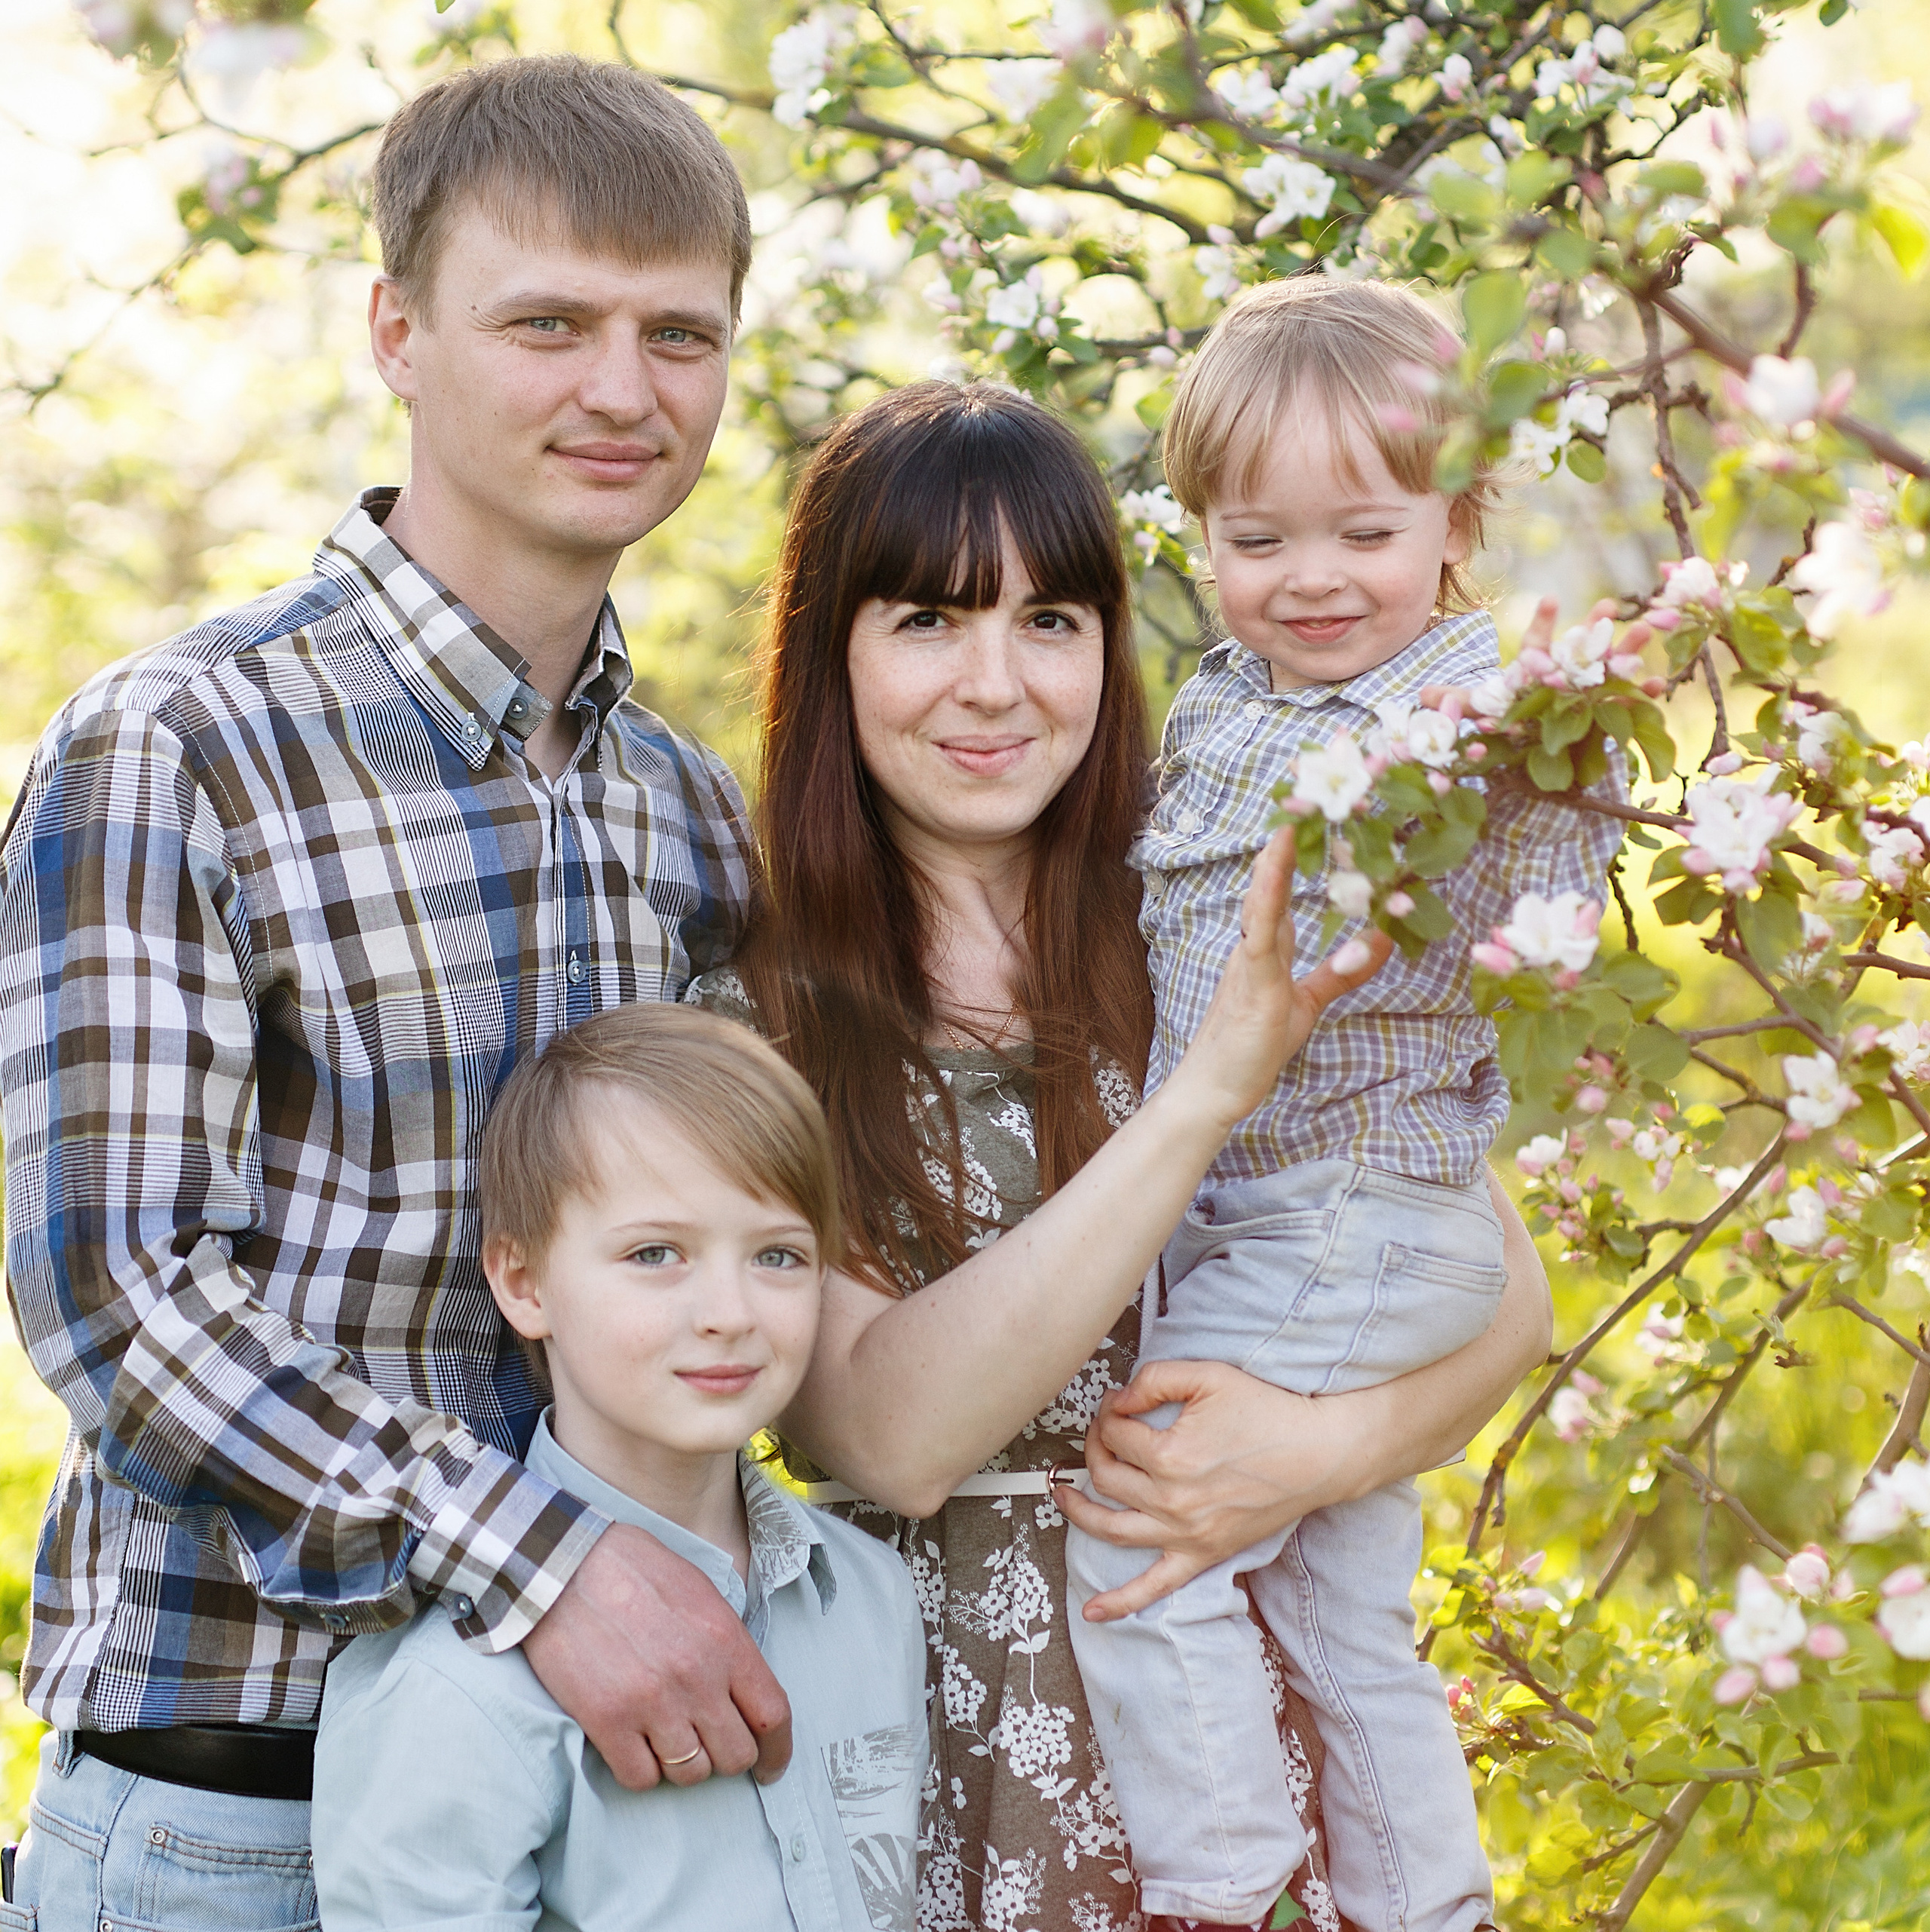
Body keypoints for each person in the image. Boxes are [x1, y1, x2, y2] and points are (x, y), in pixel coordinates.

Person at [0, 57, 792, 1930]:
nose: (623, 390)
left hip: (608, 1828)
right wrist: (545, 1572)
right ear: (398, 332)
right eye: (549, 322)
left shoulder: (682, 814)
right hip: (238, 1824)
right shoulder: (182, 745)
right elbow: (115, 1300)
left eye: (678, 333)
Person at [688, 379, 1558, 1932]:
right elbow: (888, 1434)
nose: (993, 685)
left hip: (1246, 1724)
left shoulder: (1206, 900)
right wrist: (1199, 1096)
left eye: (1050, 623)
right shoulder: (750, 1015)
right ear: (829, 653)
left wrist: (1309, 1458)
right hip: (952, 1758)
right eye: (926, 622)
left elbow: (1497, 1287)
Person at [1062, 277, 1628, 1932]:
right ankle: (1422, 1907)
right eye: (1256, 541)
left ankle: (1220, 1892)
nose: (1308, 580)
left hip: (1351, 1219)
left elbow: (1546, 894)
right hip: (1278, 1219)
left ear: (1453, 520)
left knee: (1142, 1532)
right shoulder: (1229, 702)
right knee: (1329, 1608)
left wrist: (1544, 740)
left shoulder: (1477, 719)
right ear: (1202, 538)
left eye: (1362, 533)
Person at [311, 1002, 927, 1931]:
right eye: (655, 1253)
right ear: (523, 1283)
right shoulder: (449, 1693)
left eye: (777, 1255)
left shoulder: (873, 1593)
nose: (729, 1310)